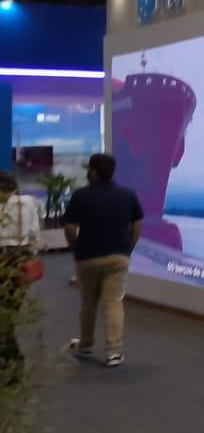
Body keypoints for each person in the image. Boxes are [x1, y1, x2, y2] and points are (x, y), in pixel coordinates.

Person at [63, 154, 143, 368]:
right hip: (118, 256)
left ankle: (86, 345)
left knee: (89, 301)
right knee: (114, 303)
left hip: (87, 257)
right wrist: (129, 247)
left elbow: (70, 228)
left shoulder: (81, 195)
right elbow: (137, 225)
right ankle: (113, 352)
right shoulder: (127, 195)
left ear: (93, 172)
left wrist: (75, 247)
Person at [1, 171, 41, 372]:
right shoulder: (29, 203)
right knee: (10, 311)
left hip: (3, 261)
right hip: (21, 261)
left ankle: (12, 361)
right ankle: (13, 363)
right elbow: (34, 235)